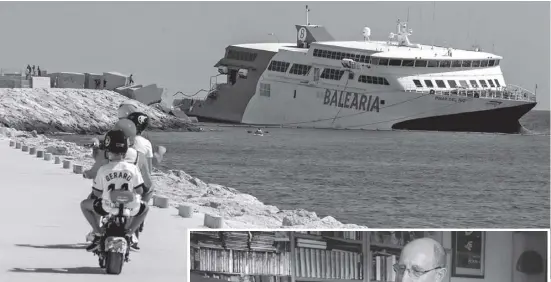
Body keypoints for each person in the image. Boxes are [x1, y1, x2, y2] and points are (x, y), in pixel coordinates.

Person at [80, 130, 149, 252]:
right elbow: (140, 190)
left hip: (107, 206)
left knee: (84, 205)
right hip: (129, 206)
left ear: (107, 150)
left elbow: (96, 193)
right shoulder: (133, 168)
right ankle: (130, 233)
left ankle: (98, 233)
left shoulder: (103, 169)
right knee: (146, 208)